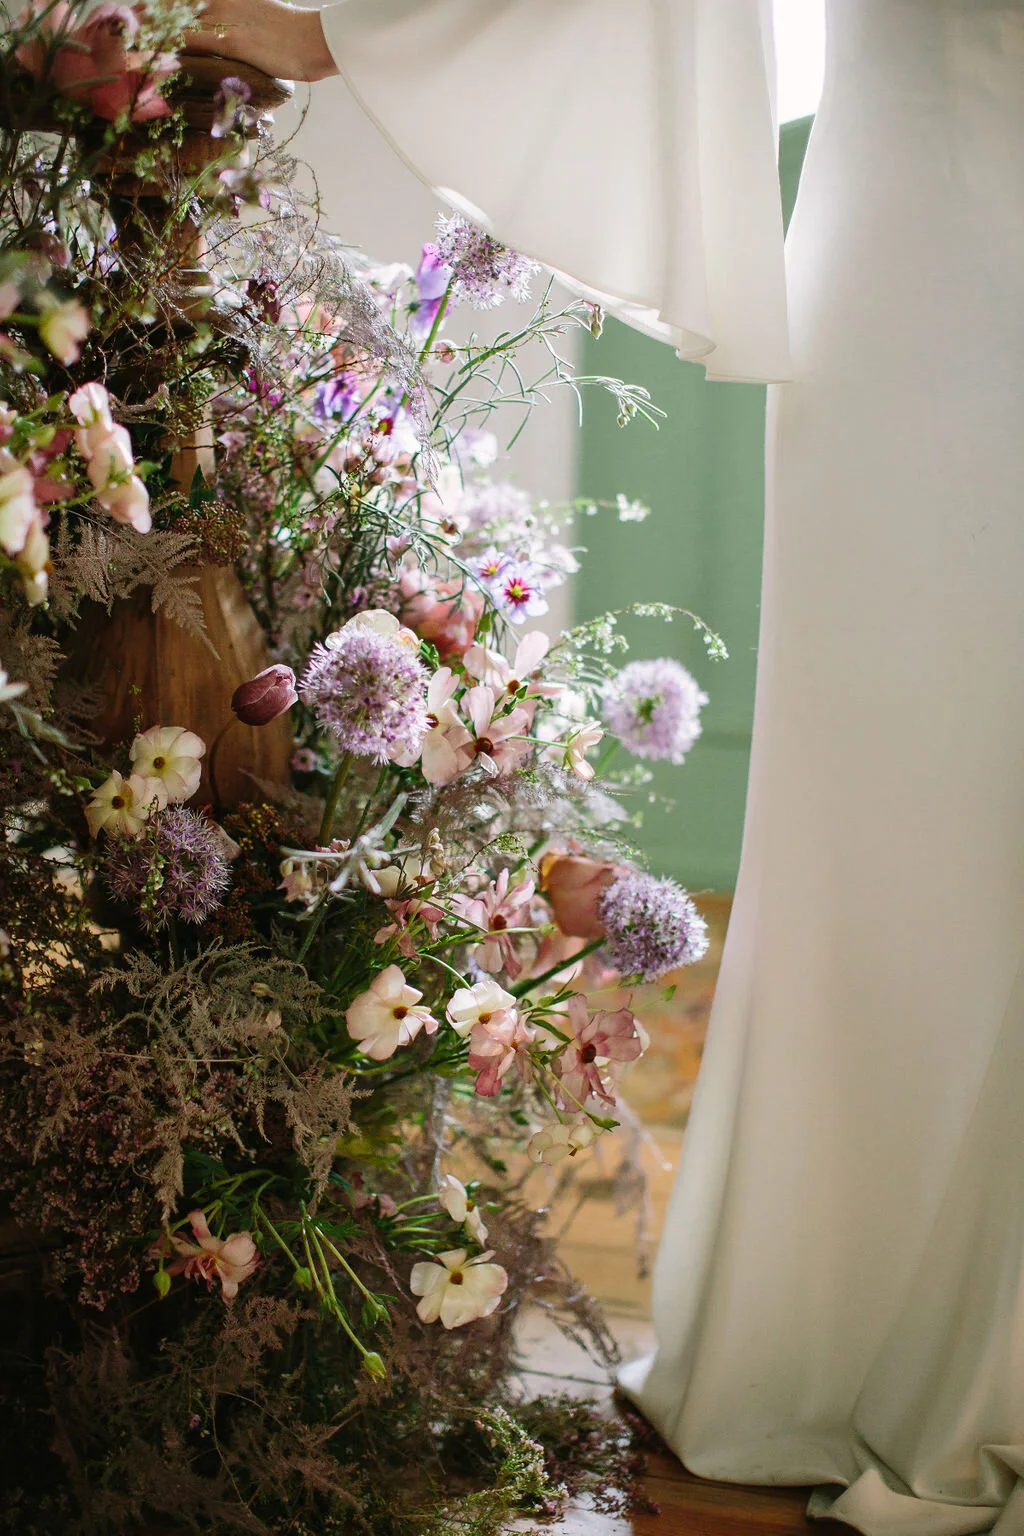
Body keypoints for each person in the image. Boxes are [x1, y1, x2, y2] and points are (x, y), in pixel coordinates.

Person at [192, 5, 1024, 1532]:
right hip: (941, 235)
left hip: (949, 234)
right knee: (928, 804)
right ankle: (892, 1327)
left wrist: (349, 20)